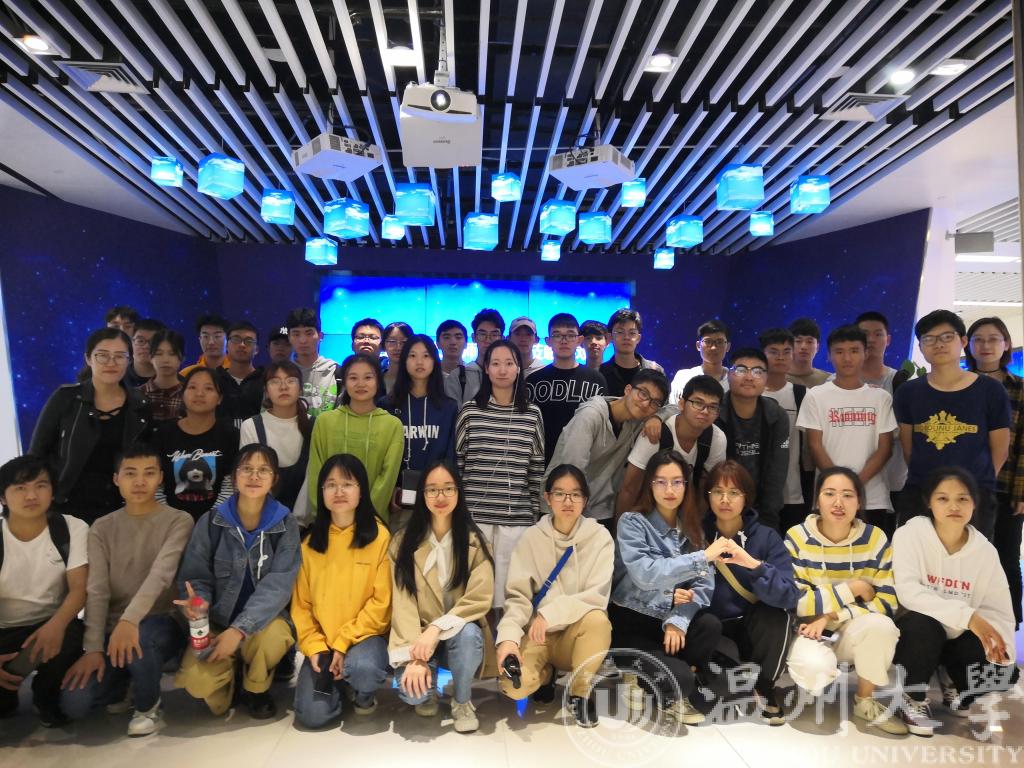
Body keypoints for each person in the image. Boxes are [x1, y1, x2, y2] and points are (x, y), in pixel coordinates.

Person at [59, 445, 193, 736]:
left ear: (161, 478)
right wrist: (93, 648)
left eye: (149, 473)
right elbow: (97, 590)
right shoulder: (101, 527)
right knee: (75, 702)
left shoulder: (178, 520)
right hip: (114, 630)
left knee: (141, 640)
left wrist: (130, 620)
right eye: (130, 474)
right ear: (116, 479)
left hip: (161, 620)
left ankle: (148, 707)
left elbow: (161, 575)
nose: (140, 482)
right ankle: (127, 681)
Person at [175, 445, 301, 719]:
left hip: (264, 624)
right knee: (197, 683)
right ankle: (232, 677)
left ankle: (256, 689)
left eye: (263, 470)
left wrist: (239, 630)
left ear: (274, 479)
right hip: (218, 622)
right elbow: (196, 577)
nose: (254, 476)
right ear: (234, 476)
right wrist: (199, 606)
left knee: (274, 637)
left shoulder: (285, 523)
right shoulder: (211, 521)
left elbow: (279, 585)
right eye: (247, 469)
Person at [892, 467, 1018, 736]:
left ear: (974, 503)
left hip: (958, 637)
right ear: (929, 502)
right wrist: (969, 617)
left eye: (962, 499)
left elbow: (999, 610)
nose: (953, 506)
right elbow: (908, 592)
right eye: (943, 498)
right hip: (917, 632)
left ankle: (952, 679)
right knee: (921, 626)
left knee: (1005, 674)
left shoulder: (984, 551)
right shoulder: (909, 535)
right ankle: (913, 697)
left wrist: (1000, 647)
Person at [784, 467, 904, 735]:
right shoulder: (797, 537)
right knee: (813, 669)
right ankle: (811, 682)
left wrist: (832, 615)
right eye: (829, 494)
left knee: (881, 626)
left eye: (848, 495)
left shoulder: (874, 538)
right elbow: (798, 602)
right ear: (817, 500)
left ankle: (865, 700)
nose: (838, 503)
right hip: (810, 629)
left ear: (859, 502)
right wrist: (854, 588)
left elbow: (887, 603)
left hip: (850, 627)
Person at [495, 465, 614, 728]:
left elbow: (596, 596)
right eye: (559, 494)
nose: (567, 501)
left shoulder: (599, 538)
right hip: (538, 635)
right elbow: (517, 597)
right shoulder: (531, 538)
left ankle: (579, 692)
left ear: (585, 499)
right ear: (547, 498)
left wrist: (550, 614)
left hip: (575, 635)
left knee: (598, 620)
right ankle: (545, 675)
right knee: (514, 686)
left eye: (575, 494)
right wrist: (508, 639)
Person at [610, 451, 718, 726]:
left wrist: (678, 618)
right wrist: (673, 591)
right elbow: (645, 575)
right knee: (680, 680)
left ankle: (672, 676)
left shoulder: (692, 528)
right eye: (661, 482)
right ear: (650, 484)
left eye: (677, 482)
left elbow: (705, 584)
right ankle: (639, 674)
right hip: (634, 620)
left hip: (668, 622)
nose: (669, 490)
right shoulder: (633, 522)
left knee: (709, 625)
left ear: (686, 486)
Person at [389, 461, 494, 733]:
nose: (440, 496)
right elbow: (402, 604)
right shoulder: (402, 543)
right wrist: (415, 659)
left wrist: (437, 629)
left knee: (469, 634)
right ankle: (430, 686)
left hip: (457, 635)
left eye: (448, 488)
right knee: (413, 694)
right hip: (418, 638)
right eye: (432, 489)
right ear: (422, 495)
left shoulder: (475, 541)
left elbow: (479, 598)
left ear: (458, 493)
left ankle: (462, 699)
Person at [291, 454, 391, 728]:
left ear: (362, 491)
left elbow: (381, 603)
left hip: (364, 639)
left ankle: (363, 692)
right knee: (312, 717)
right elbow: (301, 606)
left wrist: (343, 643)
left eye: (347, 484)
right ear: (321, 491)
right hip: (324, 643)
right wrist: (315, 648)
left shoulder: (379, 537)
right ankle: (340, 684)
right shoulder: (309, 544)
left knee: (363, 669)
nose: (339, 491)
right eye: (331, 485)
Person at [893, 310, 1010, 541]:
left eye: (947, 337)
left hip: (974, 495)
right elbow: (908, 447)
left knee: (970, 559)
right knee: (915, 557)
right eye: (929, 339)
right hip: (920, 493)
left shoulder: (990, 390)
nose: (939, 344)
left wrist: (976, 485)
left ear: (963, 341)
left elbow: (1000, 448)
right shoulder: (908, 392)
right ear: (921, 347)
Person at [699, 460, 799, 725]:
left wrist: (753, 565)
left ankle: (765, 686)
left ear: (746, 497)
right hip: (712, 627)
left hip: (751, 626)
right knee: (722, 690)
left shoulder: (766, 537)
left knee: (776, 616)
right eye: (717, 492)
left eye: (734, 492)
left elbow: (789, 595)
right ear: (708, 496)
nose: (725, 500)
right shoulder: (696, 533)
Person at [30, 328, 153, 525]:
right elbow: (37, 454)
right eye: (102, 355)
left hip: (120, 507)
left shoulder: (140, 404)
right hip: (66, 504)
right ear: (88, 358)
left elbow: (147, 458)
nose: (111, 363)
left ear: (129, 360)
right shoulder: (66, 398)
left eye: (119, 356)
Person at [455, 340, 544, 607]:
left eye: (509, 363)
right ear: (486, 368)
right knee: (474, 595)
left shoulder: (532, 414)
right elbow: (458, 464)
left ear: (518, 369)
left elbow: (536, 469)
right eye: (495, 363)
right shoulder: (470, 411)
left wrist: (534, 514)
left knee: (512, 597)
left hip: (516, 520)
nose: (502, 370)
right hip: (475, 517)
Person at [0, 456, 87, 726]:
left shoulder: (71, 528)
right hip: (4, 629)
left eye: (40, 486)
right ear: (3, 497)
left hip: (52, 622)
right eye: (20, 488)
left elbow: (79, 589)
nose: (31, 496)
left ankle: (46, 696)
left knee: (72, 635)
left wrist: (56, 625)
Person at [796, 325, 897, 538]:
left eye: (854, 351)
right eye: (839, 351)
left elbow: (885, 448)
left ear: (865, 353)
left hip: (872, 498)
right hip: (829, 497)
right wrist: (840, 487)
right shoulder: (816, 396)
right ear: (829, 355)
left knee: (873, 554)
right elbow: (815, 445)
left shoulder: (880, 398)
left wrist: (854, 485)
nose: (847, 358)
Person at [551, 369, 670, 525]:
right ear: (628, 390)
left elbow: (674, 409)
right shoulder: (590, 416)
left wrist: (656, 417)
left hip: (599, 510)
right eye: (643, 393)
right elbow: (571, 472)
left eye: (654, 402)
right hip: (562, 508)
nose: (646, 403)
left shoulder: (636, 420)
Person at [965, 317, 1023, 630]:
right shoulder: (959, 385)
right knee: (967, 557)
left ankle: (1008, 624)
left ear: (1006, 344)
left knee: (1006, 556)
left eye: (993, 339)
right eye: (978, 339)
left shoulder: (1019, 388)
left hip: (1005, 486)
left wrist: (1021, 492)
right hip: (963, 489)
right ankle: (968, 624)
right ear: (968, 345)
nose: (985, 346)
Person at [306, 354, 404, 523]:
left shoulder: (392, 425)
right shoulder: (325, 422)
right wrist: (328, 514)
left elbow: (387, 479)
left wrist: (365, 517)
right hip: (329, 521)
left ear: (378, 381)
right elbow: (316, 473)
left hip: (372, 523)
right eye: (353, 378)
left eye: (368, 377)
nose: (360, 384)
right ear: (344, 382)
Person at [617, 375, 727, 514]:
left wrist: (693, 524)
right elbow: (629, 489)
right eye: (698, 403)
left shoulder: (716, 439)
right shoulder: (655, 433)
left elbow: (707, 489)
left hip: (684, 512)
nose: (705, 411)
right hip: (646, 510)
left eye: (712, 407)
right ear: (681, 404)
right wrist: (621, 526)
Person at [382, 335, 458, 530]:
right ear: (404, 360)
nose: (419, 362)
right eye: (412, 355)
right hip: (397, 500)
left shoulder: (448, 407)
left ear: (434, 360)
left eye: (426, 356)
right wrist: (390, 488)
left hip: (436, 500)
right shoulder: (387, 406)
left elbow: (450, 456)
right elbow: (382, 455)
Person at [714, 348, 790, 531]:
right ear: (728, 375)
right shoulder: (714, 412)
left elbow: (777, 472)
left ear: (766, 377)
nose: (749, 377)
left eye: (757, 371)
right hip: (719, 508)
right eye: (741, 370)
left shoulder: (777, 415)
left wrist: (767, 521)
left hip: (764, 512)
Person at [150, 367, 238, 522]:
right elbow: (155, 484)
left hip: (216, 522)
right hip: (168, 521)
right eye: (192, 387)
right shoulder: (163, 434)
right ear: (182, 395)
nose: (199, 394)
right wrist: (171, 519)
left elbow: (229, 486)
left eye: (208, 388)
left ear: (219, 398)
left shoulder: (230, 435)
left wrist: (208, 522)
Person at [526, 313, 607, 465]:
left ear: (579, 340)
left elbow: (602, 429)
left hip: (582, 464)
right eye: (557, 335)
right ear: (548, 341)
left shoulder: (596, 380)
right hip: (540, 463)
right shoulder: (533, 381)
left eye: (570, 335)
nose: (564, 341)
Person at [239, 361, 314, 516]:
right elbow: (250, 477)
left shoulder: (315, 425)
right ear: (266, 391)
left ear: (300, 388)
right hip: (262, 515)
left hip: (306, 518)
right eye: (275, 381)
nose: (283, 387)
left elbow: (312, 479)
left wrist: (297, 522)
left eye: (290, 381)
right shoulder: (251, 426)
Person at [856, 310, 909, 517]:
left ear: (888, 340)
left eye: (878, 334)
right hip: (849, 477)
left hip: (891, 482)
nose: (871, 340)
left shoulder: (901, 383)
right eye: (864, 334)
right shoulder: (835, 383)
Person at [287, 308, 340, 418]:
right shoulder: (282, 373)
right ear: (289, 338)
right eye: (296, 334)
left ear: (320, 336)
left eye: (309, 333)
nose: (303, 340)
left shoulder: (336, 371)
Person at [600, 308, 664, 397]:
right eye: (620, 332)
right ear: (610, 337)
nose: (626, 337)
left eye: (632, 333)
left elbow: (663, 404)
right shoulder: (600, 373)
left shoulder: (655, 371)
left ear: (638, 338)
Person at [445, 308, 505, 404]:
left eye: (494, 334)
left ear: (502, 338)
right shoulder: (458, 376)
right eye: (482, 334)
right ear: (474, 337)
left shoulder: (509, 375)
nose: (488, 340)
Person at [216, 321, 265, 429]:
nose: (242, 345)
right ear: (227, 346)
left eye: (249, 341)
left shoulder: (266, 380)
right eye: (236, 339)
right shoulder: (214, 380)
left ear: (256, 349)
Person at [669, 319, 731, 404]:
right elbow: (674, 408)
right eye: (708, 342)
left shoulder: (735, 379)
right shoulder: (683, 377)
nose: (713, 347)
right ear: (698, 346)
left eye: (719, 342)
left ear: (728, 346)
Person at [141, 330, 185, 422]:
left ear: (182, 358)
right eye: (159, 354)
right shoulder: (138, 394)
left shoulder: (189, 395)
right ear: (150, 358)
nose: (165, 360)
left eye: (172, 354)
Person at [787, 318, 830, 388]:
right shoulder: (775, 379)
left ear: (817, 347)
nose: (804, 347)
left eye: (809, 342)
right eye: (798, 341)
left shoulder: (828, 380)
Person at [124, 319, 165, 388]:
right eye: (140, 341)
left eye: (153, 341)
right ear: (130, 343)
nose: (146, 346)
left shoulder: (177, 382)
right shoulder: (117, 378)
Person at [381, 322, 414, 395]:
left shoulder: (418, 380)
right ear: (383, 345)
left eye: (404, 342)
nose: (398, 347)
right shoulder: (376, 379)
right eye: (392, 341)